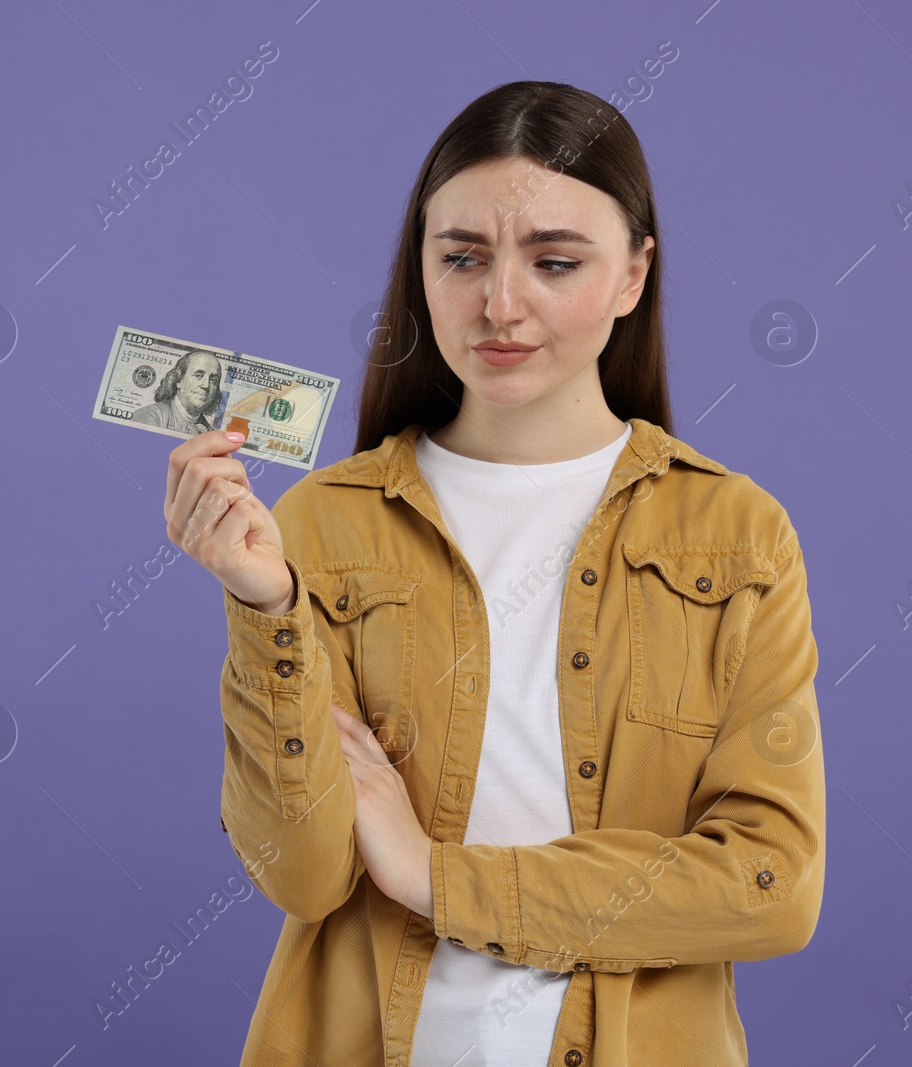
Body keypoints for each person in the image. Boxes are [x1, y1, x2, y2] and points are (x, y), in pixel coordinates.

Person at [163, 80, 824, 1067]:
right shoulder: (320, 523)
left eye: (554, 261)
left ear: (635, 274)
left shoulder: (735, 532)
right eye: (461, 257)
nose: (499, 304)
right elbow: (301, 875)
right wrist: (268, 606)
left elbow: (770, 882)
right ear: (418, 270)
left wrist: (439, 877)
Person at [132, 349, 223, 435]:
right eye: (198, 375)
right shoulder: (151, 417)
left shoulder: (209, 432)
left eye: (213, 380)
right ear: (179, 380)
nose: (206, 385)